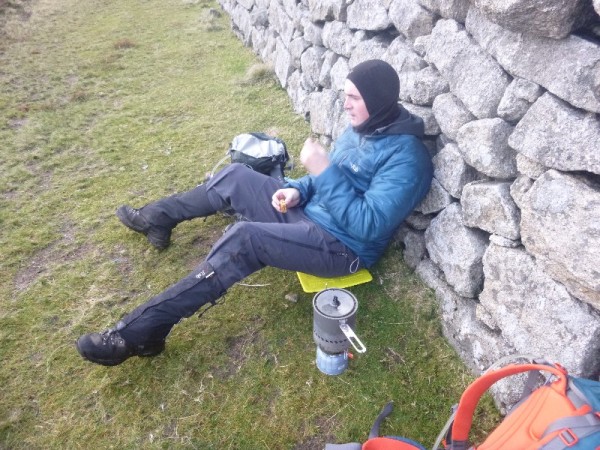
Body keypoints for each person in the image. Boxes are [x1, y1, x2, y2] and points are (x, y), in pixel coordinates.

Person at [76, 59, 434, 366]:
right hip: (310, 213)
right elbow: (327, 178)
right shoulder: (364, 127)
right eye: (345, 96)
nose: (346, 105)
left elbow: (368, 225)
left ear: (378, 101)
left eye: (354, 98)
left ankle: (141, 332)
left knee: (245, 239)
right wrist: (297, 189)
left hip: (343, 246)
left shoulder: (408, 159)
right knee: (234, 176)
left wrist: (322, 172)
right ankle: (157, 218)